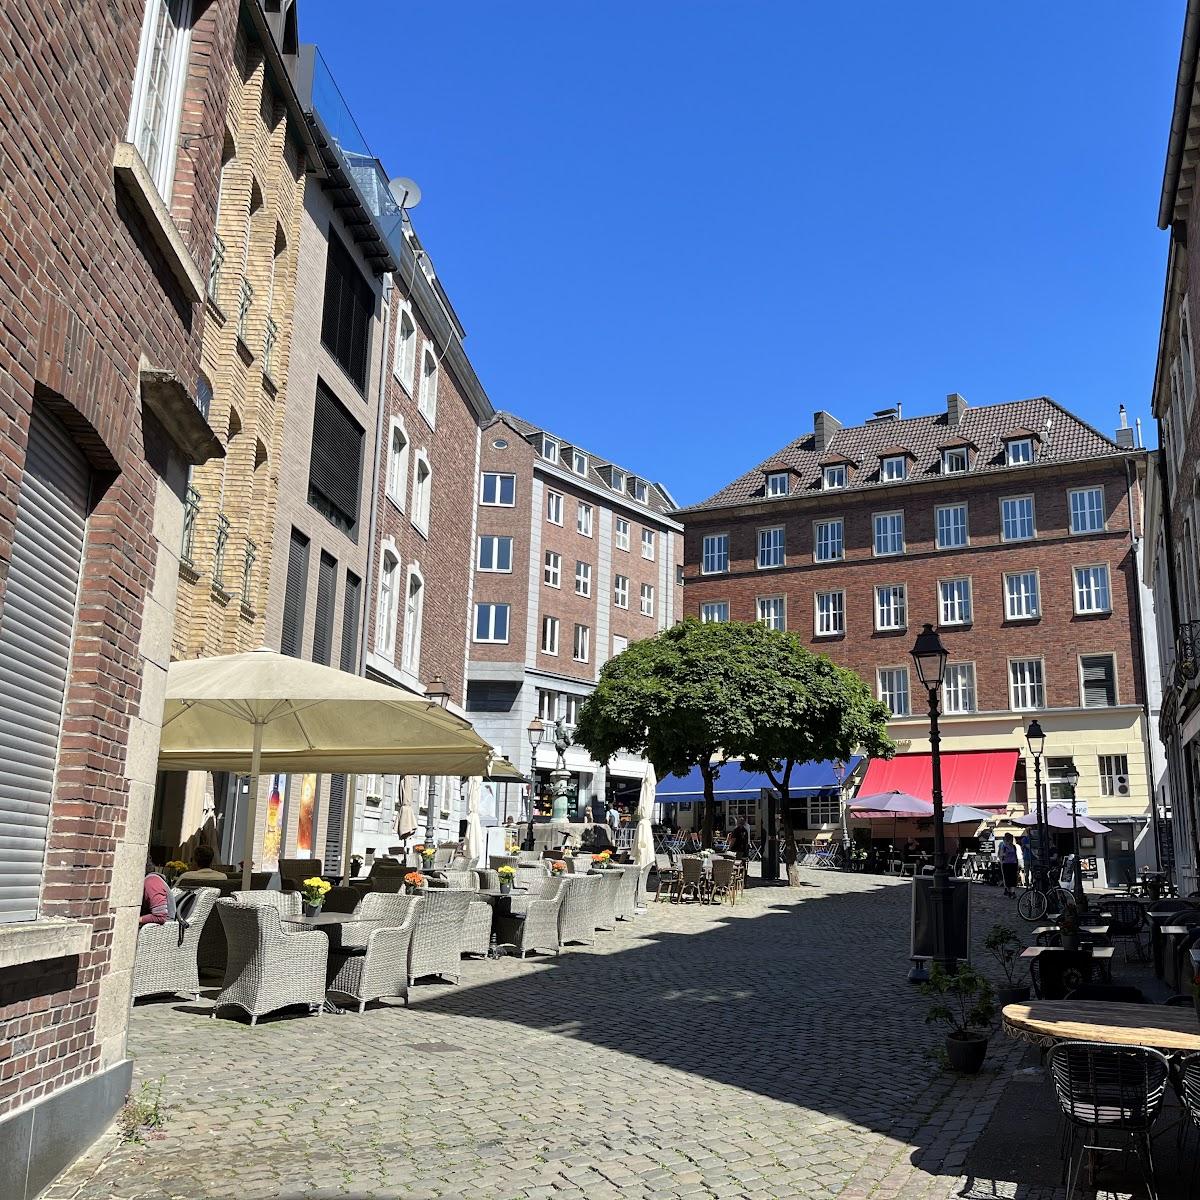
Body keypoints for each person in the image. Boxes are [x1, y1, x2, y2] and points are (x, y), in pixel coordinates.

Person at [998, 832, 1019, 898]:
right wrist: (1004, 855)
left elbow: (1015, 855)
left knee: (1013, 878)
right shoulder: (1003, 846)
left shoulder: (1014, 846)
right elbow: (1000, 854)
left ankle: (1012, 892)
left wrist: (1017, 863)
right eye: (1010, 839)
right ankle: (1009, 891)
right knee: (1007, 878)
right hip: (1006, 863)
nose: (1011, 840)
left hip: (1013, 863)